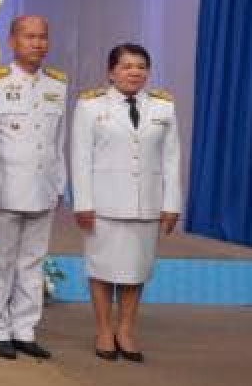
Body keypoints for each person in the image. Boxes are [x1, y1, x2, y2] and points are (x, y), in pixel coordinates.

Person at [71, 43, 181, 363]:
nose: (135, 72)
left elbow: (172, 159)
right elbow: (80, 157)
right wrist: (83, 202)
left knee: (136, 270)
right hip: (103, 205)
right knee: (102, 269)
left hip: (147, 204)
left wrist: (172, 203)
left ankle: (126, 330)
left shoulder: (163, 107)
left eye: (141, 66)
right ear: (111, 72)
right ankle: (104, 330)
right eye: (126, 66)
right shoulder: (90, 106)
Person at [0, 14, 68, 360]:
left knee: (33, 261)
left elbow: (58, 141)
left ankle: (24, 328)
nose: (37, 43)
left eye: (42, 36)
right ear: (12, 41)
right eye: (29, 37)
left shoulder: (57, 85)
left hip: (43, 186)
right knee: (0, 261)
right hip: (6, 187)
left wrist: (59, 184)